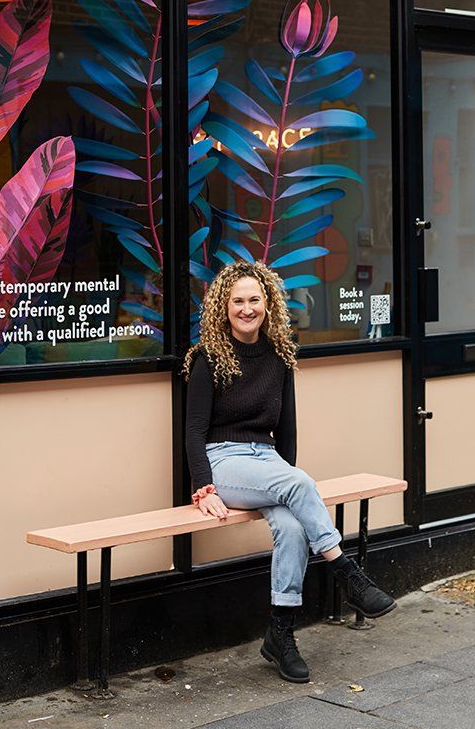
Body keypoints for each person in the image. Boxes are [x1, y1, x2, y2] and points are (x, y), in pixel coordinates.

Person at [184, 260, 396, 683]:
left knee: (294, 527)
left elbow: (287, 431)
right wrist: (204, 487)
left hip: (268, 463)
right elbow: (193, 430)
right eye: (237, 301)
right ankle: (347, 573)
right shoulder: (208, 358)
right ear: (224, 307)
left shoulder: (279, 356)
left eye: (254, 300)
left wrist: (287, 485)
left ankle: (280, 634)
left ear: (268, 304)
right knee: (299, 483)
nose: (246, 309)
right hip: (224, 462)